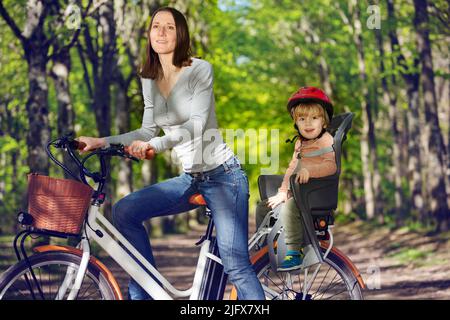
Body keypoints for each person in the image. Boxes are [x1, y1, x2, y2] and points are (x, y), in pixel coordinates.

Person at [77, 7, 264, 300]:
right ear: (148, 33)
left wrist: (158, 146)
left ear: (181, 34)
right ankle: (147, 293)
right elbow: (146, 130)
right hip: (190, 177)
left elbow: (197, 124)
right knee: (125, 210)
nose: (161, 32)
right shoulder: (149, 77)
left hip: (224, 177)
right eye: (156, 26)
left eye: (170, 27)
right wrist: (101, 141)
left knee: (236, 265)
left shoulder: (199, 70)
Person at [255, 87, 337, 272]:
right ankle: (264, 247)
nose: (308, 123)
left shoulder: (326, 141)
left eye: (314, 118)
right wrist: (283, 191)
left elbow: (331, 165)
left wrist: (310, 170)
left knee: (291, 208)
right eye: (302, 119)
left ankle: (293, 252)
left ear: (324, 122)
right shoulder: (300, 143)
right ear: (296, 123)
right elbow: (292, 169)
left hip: (316, 193)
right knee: (264, 206)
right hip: (299, 191)